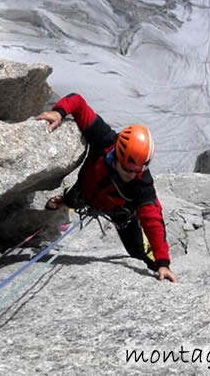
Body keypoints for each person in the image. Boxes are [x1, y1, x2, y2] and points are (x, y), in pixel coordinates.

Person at [36, 93, 177, 282]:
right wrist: (59, 112)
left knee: (137, 251)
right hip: (86, 190)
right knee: (71, 198)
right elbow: (77, 101)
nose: (133, 175)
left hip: (120, 212)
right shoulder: (104, 140)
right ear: (118, 154)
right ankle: (64, 200)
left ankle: (152, 261)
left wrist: (162, 262)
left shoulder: (141, 183)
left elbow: (153, 220)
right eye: (128, 169)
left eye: (138, 170)